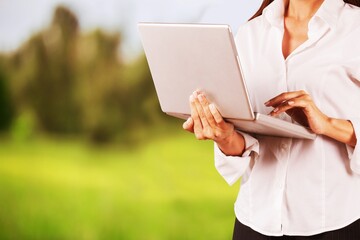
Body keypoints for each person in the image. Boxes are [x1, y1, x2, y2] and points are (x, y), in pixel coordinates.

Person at [183, 0, 360, 239]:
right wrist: (225, 137)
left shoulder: (353, 27)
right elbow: (245, 136)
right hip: (254, 221)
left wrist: (327, 124)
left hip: (332, 223)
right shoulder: (251, 33)